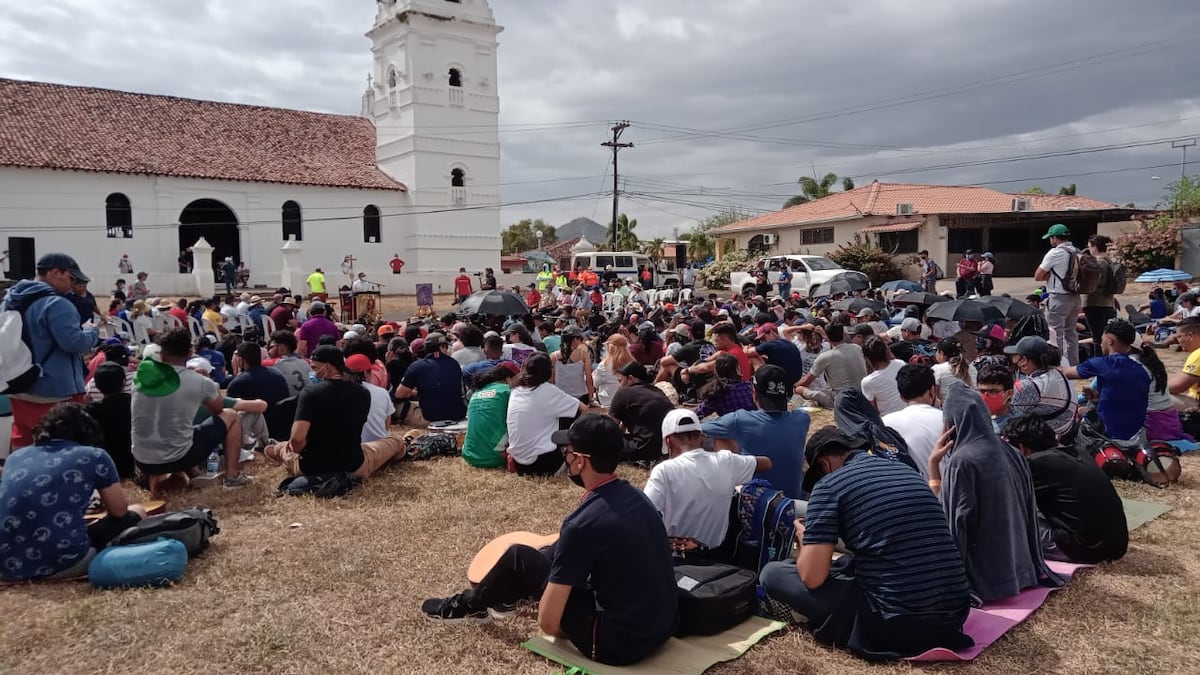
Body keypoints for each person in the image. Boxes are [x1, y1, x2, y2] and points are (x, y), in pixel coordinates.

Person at [422, 415, 678, 665]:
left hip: (614, 644)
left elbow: (548, 622)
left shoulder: (581, 523)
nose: (565, 458)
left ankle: (469, 604)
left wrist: (555, 606)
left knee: (519, 556)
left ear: (580, 461)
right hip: (660, 629)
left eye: (567, 451)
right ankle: (502, 590)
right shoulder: (637, 497)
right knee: (548, 553)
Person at [759, 426, 973, 661]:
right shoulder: (906, 471)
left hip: (899, 624)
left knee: (773, 573)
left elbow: (812, 577)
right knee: (849, 562)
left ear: (825, 465)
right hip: (955, 616)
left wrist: (804, 537)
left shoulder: (828, 486)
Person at [931, 381, 1063, 603]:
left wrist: (933, 465)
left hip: (989, 577)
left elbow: (952, 524)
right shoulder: (1010, 450)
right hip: (1023, 566)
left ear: (950, 423)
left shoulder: (962, 461)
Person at [0, 404, 147, 582]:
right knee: (138, 511)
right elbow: (119, 511)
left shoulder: (15, 457)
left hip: (7, 565)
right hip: (63, 561)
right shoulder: (94, 456)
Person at [130, 329, 252, 489]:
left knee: (181, 428)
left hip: (142, 460)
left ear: (161, 354)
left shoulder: (139, 379)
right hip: (179, 457)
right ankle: (232, 477)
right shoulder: (198, 381)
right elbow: (218, 408)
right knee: (231, 416)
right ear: (190, 353)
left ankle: (189, 475)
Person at [2, 253, 100, 450]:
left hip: (19, 381)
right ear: (56, 272)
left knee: (24, 440)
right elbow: (74, 343)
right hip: (55, 389)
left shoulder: (11, 300)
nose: (73, 284)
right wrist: (92, 332)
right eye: (72, 278)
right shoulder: (57, 303)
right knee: (59, 444)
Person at [1002, 415, 1128, 564]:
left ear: (1022, 447)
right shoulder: (1079, 452)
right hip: (1116, 545)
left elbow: (1004, 501)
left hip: (1084, 548)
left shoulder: (1036, 463)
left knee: (1004, 523)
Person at [266, 347, 403, 482]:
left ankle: (276, 449)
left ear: (327, 366)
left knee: (282, 448)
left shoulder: (310, 393)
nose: (312, 372)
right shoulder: (362, 393)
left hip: (311, 467)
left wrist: (296, 448)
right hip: (354, 465)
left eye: (314, 368)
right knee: (395, 442)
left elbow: (297, 440)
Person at [646, 409, 771, 554]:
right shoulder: (726, 461)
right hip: (718, 555)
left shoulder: (663, 471)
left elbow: (645, 515)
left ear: (668, 442)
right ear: (703, 438)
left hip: (678, 556)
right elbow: (767, 463)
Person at [702, 365, 811, 498]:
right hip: (793, 499)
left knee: (721, 437)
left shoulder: (740, 420)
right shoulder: (802, 419)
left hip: (757, 503)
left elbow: (698, 428)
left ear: (754, 393)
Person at [1061, 318, 1150, 442]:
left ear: (1110, 340)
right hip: (1134, 434)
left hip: (1106, 434)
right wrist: (1098, 400)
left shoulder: (1103, 364)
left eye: (1102, 339)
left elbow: (1064, 372)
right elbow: (1125, 403)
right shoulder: (1141, 370)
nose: (1101, 343)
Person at [506, 354, 589, 476]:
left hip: (520, 465)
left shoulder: (515, 390)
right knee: (573, 413)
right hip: (545, 464)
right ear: (549, 371)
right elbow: (584, 409)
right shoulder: (548, 390)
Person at [1005, 336, 1078, 438]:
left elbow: (1008, 414)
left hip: (1048, 437)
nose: (1013, 360)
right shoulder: (1056, 372)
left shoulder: (1028, 386)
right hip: (1067, 430)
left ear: (1024, 360)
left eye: (1016, 356)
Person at [882, 364, 943, 478]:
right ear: (932, 390)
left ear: (901, 396)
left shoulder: (884, 424)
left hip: (910, 492)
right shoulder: (947, 418)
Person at [1035, 224, 1083, 366]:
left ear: (1055, 238)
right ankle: (1074, 365)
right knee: (1071, 333)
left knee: (1055, 334)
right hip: (1075, 297)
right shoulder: (1077, 251)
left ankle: (1057, 365)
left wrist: (1049, 275)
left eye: (1051, 238)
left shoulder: (1055, 253)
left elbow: (1038, 275)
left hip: (1059, 297)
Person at [395, 333, 466, 426]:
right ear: (442, 347)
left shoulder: (416, 366)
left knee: (397, 405)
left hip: (430, 418)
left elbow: (399, 394)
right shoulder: (454, 364)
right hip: (457, 415)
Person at [608, 362, 675, 461]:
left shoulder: (623, 393)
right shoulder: (657, 391)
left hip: (643, 448)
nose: (619, 385)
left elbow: (609, 427)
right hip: (668, 447)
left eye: (620, 381)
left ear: (630, 379)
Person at [462, 362, 520, 469]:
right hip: (495, 457)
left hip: (469, 454)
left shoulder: (476, 393)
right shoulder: (509, 392)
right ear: (508, 378)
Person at [796, 324, 867, 409]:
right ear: (844, 334)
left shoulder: (825, 357)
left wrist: (794, 386)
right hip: (862, 395)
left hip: (840, 400)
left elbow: (806, 381)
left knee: (799, 388)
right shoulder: (857, 348)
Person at [84, 362, 135, 479]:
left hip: (106, 464)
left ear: (96, 385)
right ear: (124, 382)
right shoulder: (135, 403)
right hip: (135, 461)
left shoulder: (90, 410)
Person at [694, 353, 757, 419]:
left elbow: (698, 414)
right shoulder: (749, 386)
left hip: (731, 426)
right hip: (753, 423)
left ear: (716, 370)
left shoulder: (717, 392)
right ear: (737, 369)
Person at [1083, 235, 1120, 342]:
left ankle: (1099, 358)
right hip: (1109, 302)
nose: (1089, 249)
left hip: (1095, 303)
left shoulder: (1097, 263)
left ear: (1095, 247)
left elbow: (1093, 283)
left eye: (1089, 247)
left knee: (1097, 338)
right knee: (1107, 336)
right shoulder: (1110, 262)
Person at [746, 322, 805, 389]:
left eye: (763, 338)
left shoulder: (772, 344)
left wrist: (746, 348)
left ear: (771, 332)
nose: (762, 342)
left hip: (779, 382)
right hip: (792, 381)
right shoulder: (788, 343)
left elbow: (747, 352)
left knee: (754, 357)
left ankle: (755, 385)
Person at [860, 337, 905, 416]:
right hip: (908, 413)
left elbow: (872, 410)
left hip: (887, 421)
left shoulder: (868, 382)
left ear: (867, 358)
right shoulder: (900, 364)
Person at [551, 326, 593, 404]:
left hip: (560, 396)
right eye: (580, 339)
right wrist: (591, 398)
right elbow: (589, 379)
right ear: (575, 339)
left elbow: (552, 379)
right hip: (581, 396)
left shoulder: (553, 356)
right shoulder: (584, 355)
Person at [1167, 317, 1200, 411]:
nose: (1178, 341)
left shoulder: (1198, 355)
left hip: (1197, 404)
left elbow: (1179, 386)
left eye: (1179, 336)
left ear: (1190, 336)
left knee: (1153, 397)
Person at [593, 333, 634, 407]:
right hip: (628, 403)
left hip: (608, 403)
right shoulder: (632, 363)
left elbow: (595, 384)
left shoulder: (604, 365)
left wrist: (593, 374)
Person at [266, 330, 312, 395]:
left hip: (288, 402)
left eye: (271, 347)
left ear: (282, 348)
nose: (269, 351)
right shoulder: (304, 362)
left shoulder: (273, 364)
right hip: (307, 400)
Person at [932, 337, 976, 403]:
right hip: (972, 409)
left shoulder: (938, 369)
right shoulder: (972, 368)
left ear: (941, 353)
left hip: (948, 411)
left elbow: (932, 396)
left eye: (937, 351)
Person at [977, 365, 1016, 433]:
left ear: (1009, 393)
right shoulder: (971, 418)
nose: (985, 396)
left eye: (992, 391)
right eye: (982, 391)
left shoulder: (1017, 424)